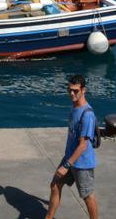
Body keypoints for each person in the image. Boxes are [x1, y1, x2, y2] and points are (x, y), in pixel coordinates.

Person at [45, 75, 99, 219]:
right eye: (69, 90)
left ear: (83, 90)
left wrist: (66, 166)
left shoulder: (87, 115)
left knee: (87, 195)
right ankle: (49, 217)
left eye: (75, 91)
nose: (71, 94)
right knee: (55, 185)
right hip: (70, 157)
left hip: (82, 163)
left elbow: (83, 146)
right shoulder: (75, 107)